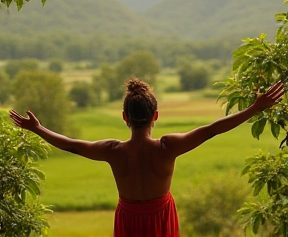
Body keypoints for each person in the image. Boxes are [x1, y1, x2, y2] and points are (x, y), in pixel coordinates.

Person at [9, 78, 284, 237]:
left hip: (128, 217)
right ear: (156, 116)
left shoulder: (113, 151)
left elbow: (71, 145)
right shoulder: (167, 147)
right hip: (160, 216)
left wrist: (38, 128)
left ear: (125, 117)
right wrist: (254, 108)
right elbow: (212, 130)